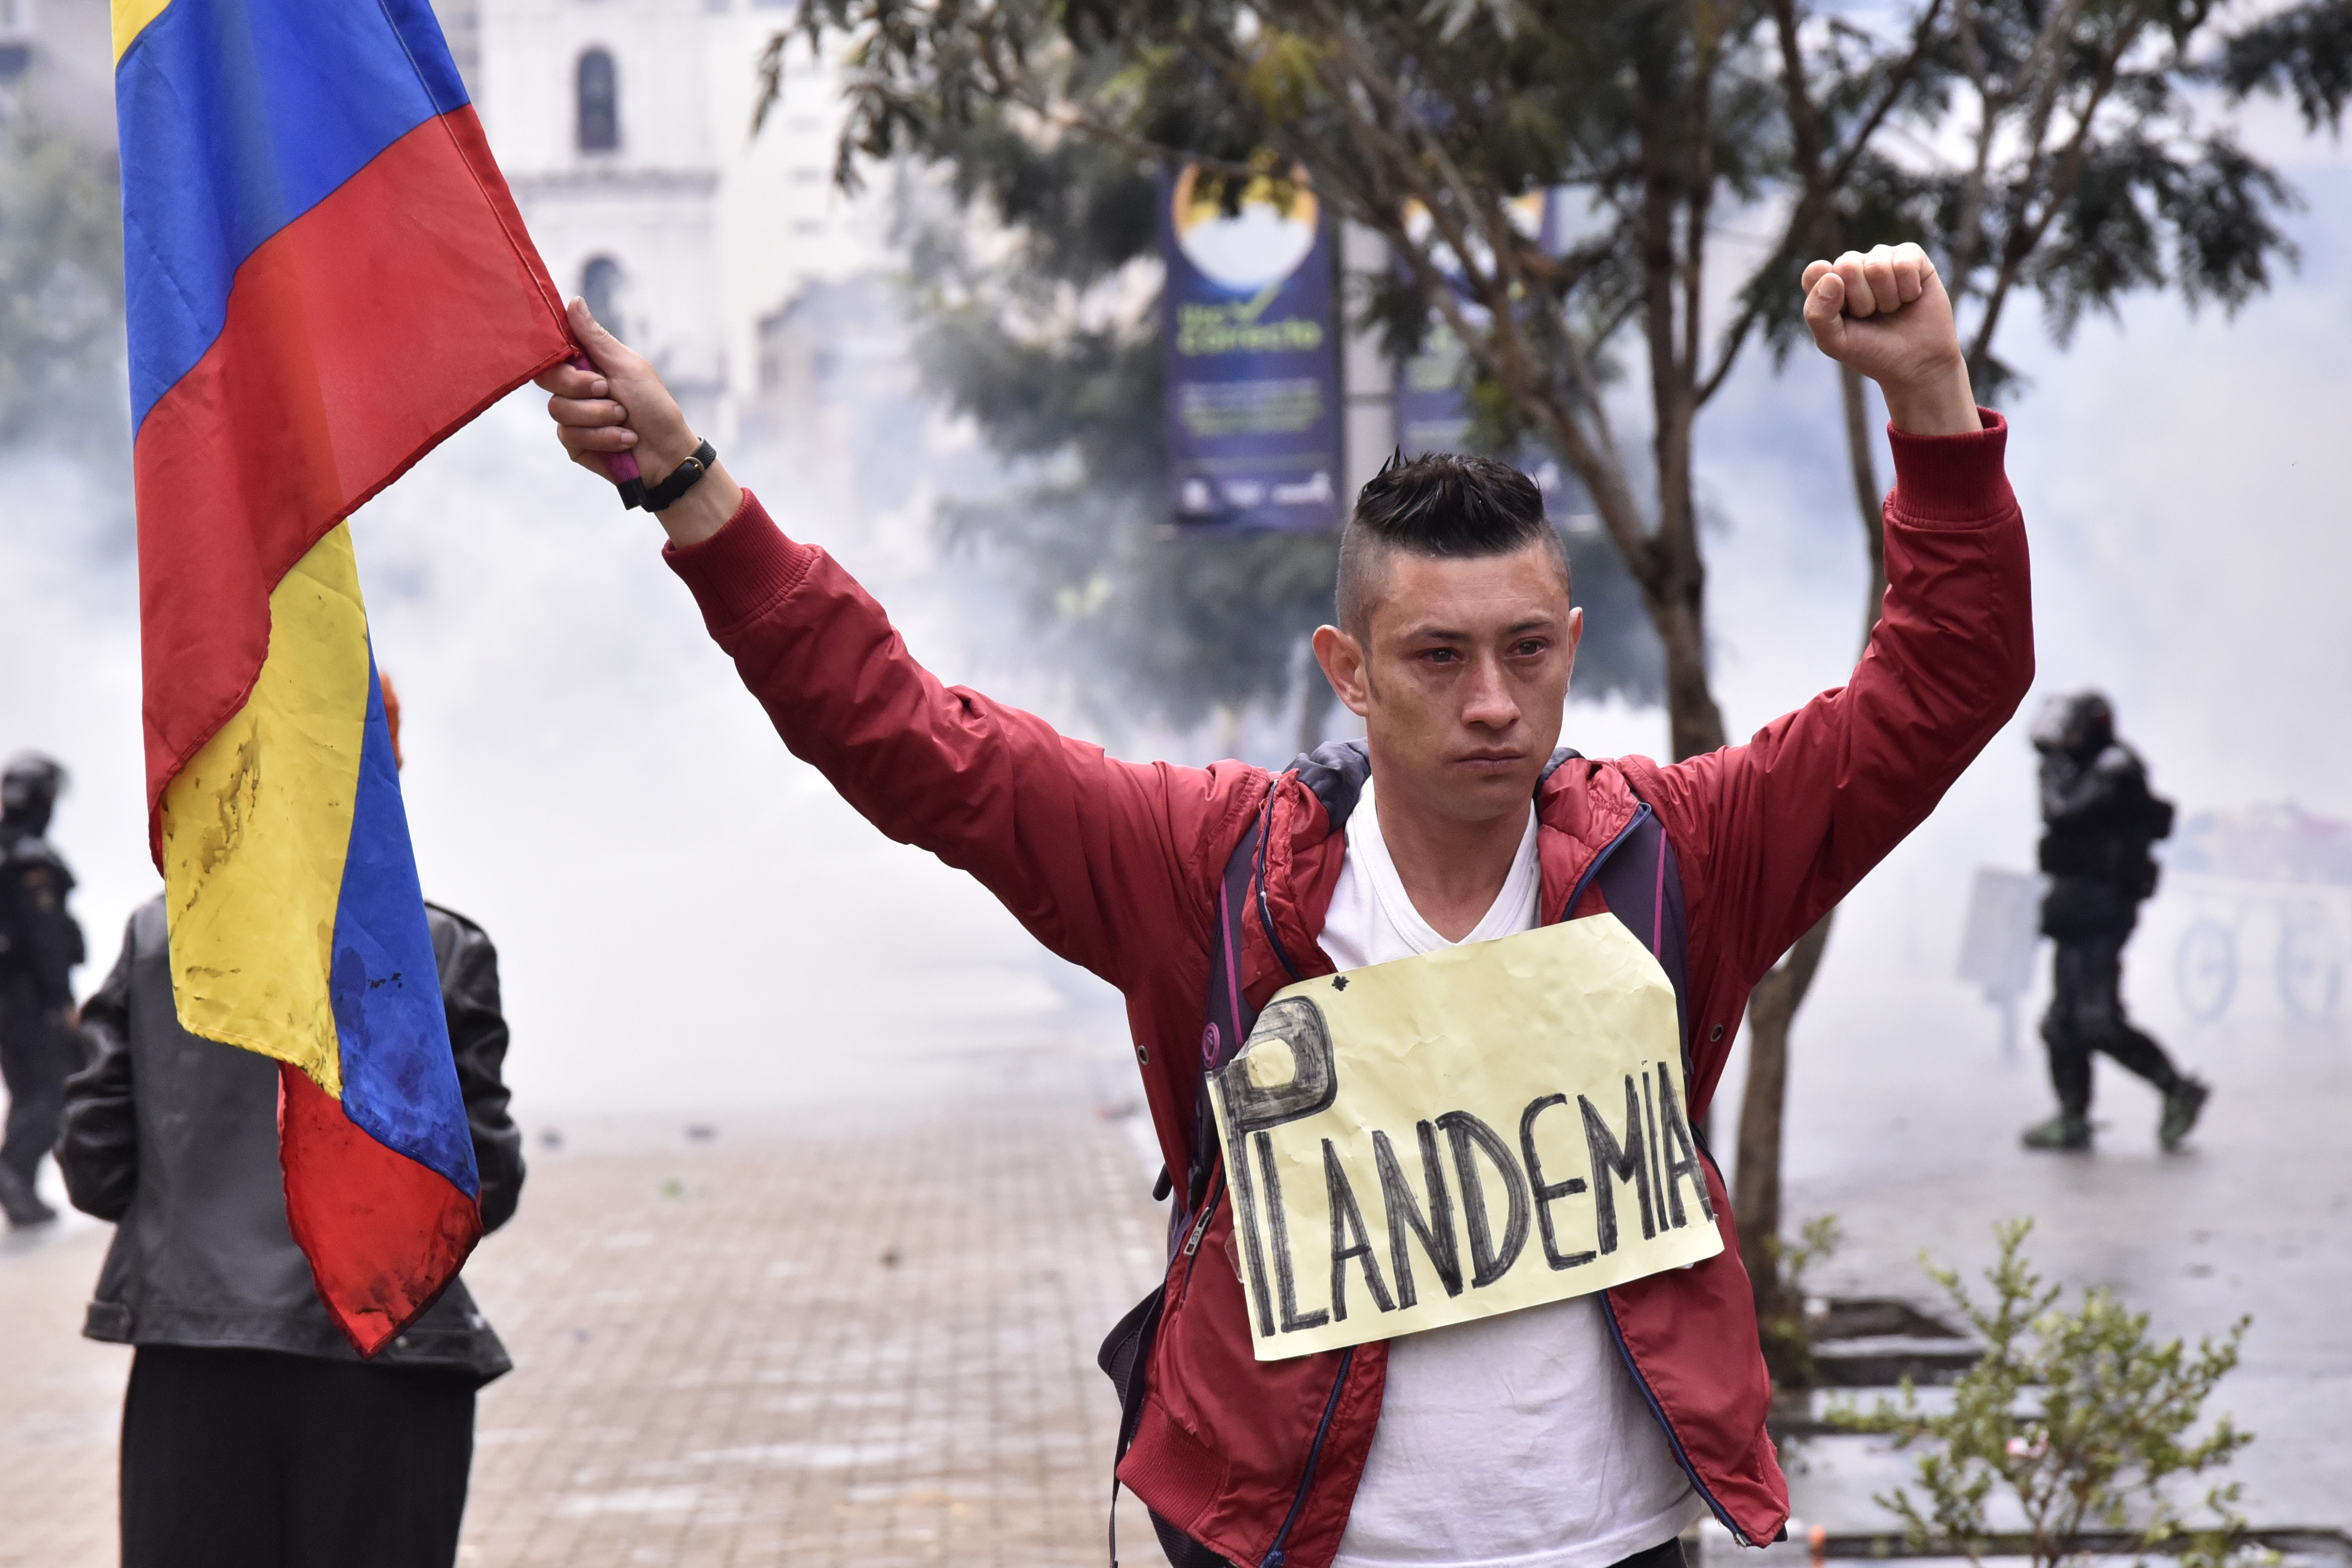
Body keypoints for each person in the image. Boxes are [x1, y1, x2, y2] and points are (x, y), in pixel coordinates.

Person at [535, 241, 2031, 1567]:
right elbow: (912, 739)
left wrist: (1931, 401)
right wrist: (689, 487)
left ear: (1572, 643)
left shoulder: (1672, 855)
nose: (1494, 702)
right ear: (1348, 667)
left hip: (1620, 1537)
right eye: (1437, 656)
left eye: (1526, 649)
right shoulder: (1215, 868)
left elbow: (1941, 686)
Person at [56, 679, 525, 1568]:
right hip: (389, 1354)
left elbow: (96, 1168)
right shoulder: (442, 949)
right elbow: (486, 1184)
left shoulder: (161, 941)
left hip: (195, 1360)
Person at [2022, 691, 2206, 1153]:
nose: (2066, 742)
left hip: (2104, 909)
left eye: (2073, 732)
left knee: (2097, 1020)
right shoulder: (2075, 768)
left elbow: (2066, 809)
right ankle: (2072, 1118)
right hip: (2071, 907)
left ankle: (2178, 1090)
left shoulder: (2115, 768)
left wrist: (2052, 767)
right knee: (2062, 1023)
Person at [0, 751, 84, 1227]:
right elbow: (45, 940)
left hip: (10, 1000)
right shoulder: (29, 860)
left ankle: (22, 1191)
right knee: (50, 1093)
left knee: (30, 1090)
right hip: (31, 997)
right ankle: (12, 1176)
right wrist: (62, 1002)